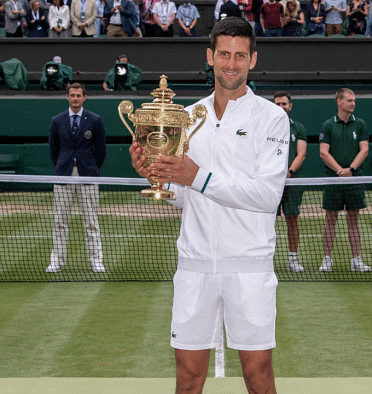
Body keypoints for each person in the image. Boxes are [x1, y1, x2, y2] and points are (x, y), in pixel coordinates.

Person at [129, 17, 287, 394]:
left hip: (249, 266)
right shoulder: (187, 118)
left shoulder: (272, 118)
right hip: (195, 265)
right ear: (210, 57)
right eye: (223, 54)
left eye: (239, 55)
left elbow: (267, 197)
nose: (231, 63)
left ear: (252, 60)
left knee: (258, 376)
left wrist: (196, 175)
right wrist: (158, 176)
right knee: (187, 380)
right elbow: (184, 196)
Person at [46, 83, 107, 274]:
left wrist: (90, 167)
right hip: (64, 174)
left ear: (84, 98)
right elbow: (53, 149)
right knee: (60, 221)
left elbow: (101, 150)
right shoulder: (57, 120)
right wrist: (64, 164)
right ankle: (57, 260)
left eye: (78, 95)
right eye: (72, 95)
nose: (75, 99)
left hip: (87, 174)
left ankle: (96, 260)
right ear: (67, 97)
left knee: (91, 221)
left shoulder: (94, 120)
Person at [319, 88, 370, 273]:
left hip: (354, 179)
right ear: (339, 102)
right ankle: (327, 259)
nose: (353, 103)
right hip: (334, 179)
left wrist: (351, 170)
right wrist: (340, 170)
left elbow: (364, 150)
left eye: (354, 100)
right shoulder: (328, 125)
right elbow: (323, 152)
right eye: (349, 100)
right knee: (330, 219)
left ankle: (356, 259)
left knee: (354, 220)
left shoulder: (361, 124)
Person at [273, 91, 307, 272]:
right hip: (271, 183)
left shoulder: (298, 128)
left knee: (292, 220)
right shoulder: (267, 128)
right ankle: (265, 259)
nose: (280, 107)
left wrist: (289, 172)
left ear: (290, 106)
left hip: (292, 182)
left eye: (284, 104)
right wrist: (275, 173)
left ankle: (293, 259)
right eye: (277, 104)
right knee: (267, 221)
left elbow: (301, 153)